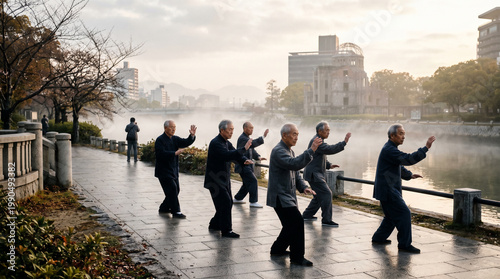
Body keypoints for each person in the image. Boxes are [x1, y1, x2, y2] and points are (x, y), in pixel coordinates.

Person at [371, 124, 436, 254]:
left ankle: (378, 238)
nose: (403, 137)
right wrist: (426, 148)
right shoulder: (389, 149)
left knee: (391, 216)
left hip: (387, 188)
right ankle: (404, 245)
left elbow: (398, 165)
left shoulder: (390, 149)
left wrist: (409, 175)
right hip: (388, 189)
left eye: (404, 133)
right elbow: (407, 159)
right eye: (400, 134)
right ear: (392, 136)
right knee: (404, 213)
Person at [266, 123, 322, 266]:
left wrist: (304, 187)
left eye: (298, 134)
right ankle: (297, 257)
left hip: (287, 196)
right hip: (280, 196)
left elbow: (296, 174)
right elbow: (295, 164)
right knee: (296, 222)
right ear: (284, 135)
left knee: (289, 225)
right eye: (294, 134)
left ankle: (277, 249)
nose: (296, 137)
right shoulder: (278, 151)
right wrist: (312, 150)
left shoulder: (289, 151)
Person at [204, 120, 253, 238]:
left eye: (233, 130)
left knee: (227, 203)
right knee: (225, 202)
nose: (232, 132)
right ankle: (227, 231)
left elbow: (233, 153)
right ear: (222, 130)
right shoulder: (216, 143)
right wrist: (244, 149)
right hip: (214, 180)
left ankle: (215, 224)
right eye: (229, 130)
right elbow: (227, 155)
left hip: (224, 179)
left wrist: (243, 160)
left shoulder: (226, 142)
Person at [302, 121, 351, 227]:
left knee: (319, 196)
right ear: (320, 131)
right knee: (327, 193)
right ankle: (326, 220)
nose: (329, 132)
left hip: (315, 173)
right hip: (314, 174)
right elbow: (329, 149)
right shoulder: (317, 140)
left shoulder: (319, 140)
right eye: (327, 130)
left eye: (329, 130)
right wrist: (344, 143)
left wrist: (329, 165)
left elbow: (319, 156)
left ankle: (307, 215)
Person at [155, 120, 197, 218]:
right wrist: (174, 153)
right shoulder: (160, 140)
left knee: (176, 190)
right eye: (171, 127)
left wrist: (191, 136)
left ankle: (164, 208)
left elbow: (185, 142)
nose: (173, 129)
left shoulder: (175, 139)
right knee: (172, 189)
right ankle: (176, 212)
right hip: (163, 171)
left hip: (173, 170)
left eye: (175, 127)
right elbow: (160, 154)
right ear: (165, 128)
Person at [233, 121, 269, 208]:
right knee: (253, 181)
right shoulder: (242, 138)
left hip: (247, 164)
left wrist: (258, 157)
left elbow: (251, 149)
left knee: (246, 183)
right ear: (245, 129)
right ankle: (253, 202)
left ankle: (237, 198)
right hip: (243, 164)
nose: (252, 129)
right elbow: (252, 144)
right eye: (250, 128)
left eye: (253, 128)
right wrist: (263, 137)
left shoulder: (247, 139)